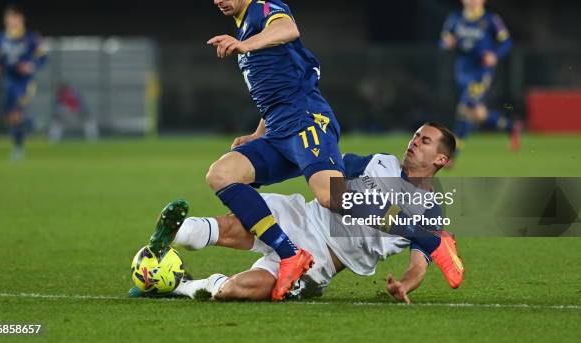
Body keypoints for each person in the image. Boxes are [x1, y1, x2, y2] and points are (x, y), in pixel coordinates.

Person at [137, 123, 464, 301]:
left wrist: (405, 284)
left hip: (321, 259)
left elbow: (418, 266)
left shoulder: (431, 210)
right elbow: (318, 164)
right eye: (415, 136)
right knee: (231, 227)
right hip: (302, 216)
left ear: (441, 160)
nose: (414, 142)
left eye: (425, 141)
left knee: (236, 290)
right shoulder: (378, 163)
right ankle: (172, 235)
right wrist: (259, 170)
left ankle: (179, 285)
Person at [195, 0, 346, 300]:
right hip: (278, 132)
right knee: (222, 174)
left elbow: (288, 29)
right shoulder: (242, 27)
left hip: (307, 121)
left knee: (327, 196)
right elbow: (278, 91)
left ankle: (422, 226)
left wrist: (244, 45)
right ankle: (291, 254)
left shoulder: (264, 7)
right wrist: (257, 134)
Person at [440, 0, 521, 164]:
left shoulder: (491, 19)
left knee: (465, 107)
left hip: (481, 73)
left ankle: (452, 154)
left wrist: (495, 55)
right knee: (478, 113)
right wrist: (448, 43)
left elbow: (506, 42)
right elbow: (444, 41)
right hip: (462, 71)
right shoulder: (455, 19)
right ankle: (511, 126)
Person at [0, 5, 47, 160]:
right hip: (9, 81)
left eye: (13, 17)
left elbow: (43, 57)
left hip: (25, 83)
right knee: (10, 117)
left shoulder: (31, 37)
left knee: (17, 111)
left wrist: (31, 65)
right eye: (7, 17)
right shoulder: (2, 37)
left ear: (21, 19)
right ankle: (31, 125)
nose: (10, 20)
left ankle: (19, 148)